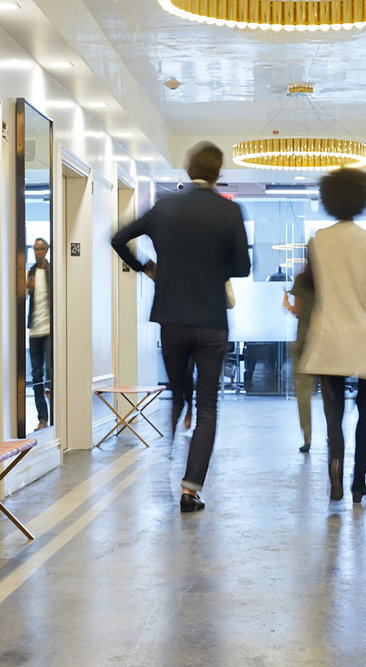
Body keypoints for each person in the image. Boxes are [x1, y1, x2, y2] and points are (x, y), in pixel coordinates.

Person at [111, 142, 250, 513]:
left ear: (189, 170)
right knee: (208, 407)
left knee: (178, 393)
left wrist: (146, 267)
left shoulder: (165, 208)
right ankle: (190, 489)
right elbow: (242, 267)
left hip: (171, 317)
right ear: (219, 173)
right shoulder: (230, 211)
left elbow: (118, 238)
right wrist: (211, 268)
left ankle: (167, 455)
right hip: (211, 320)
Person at [300, 168, 366, 503]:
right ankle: (359, 482)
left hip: (329, 338)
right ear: (362, 198)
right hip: (365, 339)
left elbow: (315, 288)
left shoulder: (319, 239)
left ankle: (335, 467)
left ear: (329, 199)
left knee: (335, 413)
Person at [181, 280, 235, 430]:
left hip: (210, 331)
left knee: (204, 376)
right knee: (187, 371)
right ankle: (190, 406)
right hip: (188, 329)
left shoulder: (219, 273)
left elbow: (231, 302)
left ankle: (200, 412)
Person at [283, 260, 317, 453]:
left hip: (304, 340)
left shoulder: (302, 279)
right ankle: (333, 435)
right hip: (326, 341)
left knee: (303, 391)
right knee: (331, 393)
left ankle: (307, 437)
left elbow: (298, 311)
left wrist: (287, 304)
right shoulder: (329, 279)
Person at [26, 237, 53, 431]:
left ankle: (55, 416)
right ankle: (42, 418)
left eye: (41, 249)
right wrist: (27, 287)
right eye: (35, 249)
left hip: (50, 330)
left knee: (51, 373)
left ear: (47, 250)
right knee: (36, 376)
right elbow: (23, 295)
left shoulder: (52, 271)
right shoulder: (31, 272)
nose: (37, 253)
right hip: (35, 331)